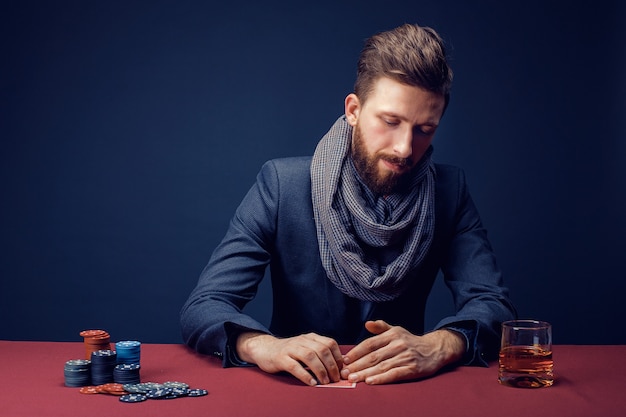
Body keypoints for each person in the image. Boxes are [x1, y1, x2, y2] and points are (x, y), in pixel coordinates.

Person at [180, 23, 516, 386]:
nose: (405, 147)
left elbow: (493, 304)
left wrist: (439, 345)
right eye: (390, 121)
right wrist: (262, 346)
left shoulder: (449, 190)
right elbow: (205, 305)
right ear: (353, 110)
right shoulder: (282, 185)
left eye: (425, 129)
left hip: (403, 395)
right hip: (297, 395)